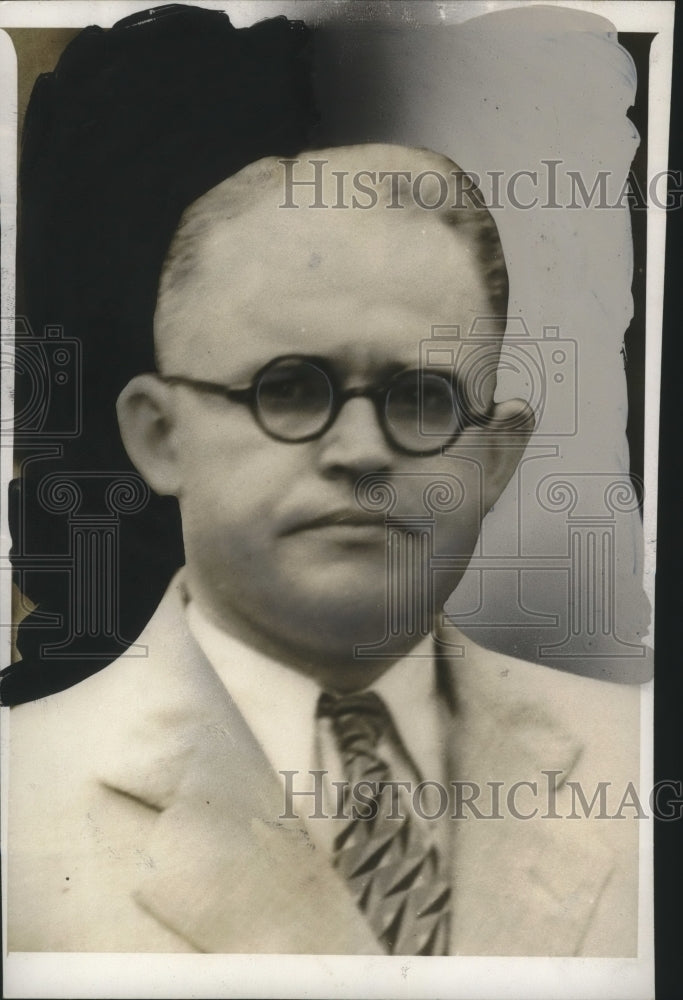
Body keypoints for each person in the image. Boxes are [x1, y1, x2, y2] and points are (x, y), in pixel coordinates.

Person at [7, 144, 640, 957]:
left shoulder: (639, 756)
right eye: (291, 390)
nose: (359, 451)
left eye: (420, 398)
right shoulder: (19, 791)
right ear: (161, 437)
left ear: (492, 458)